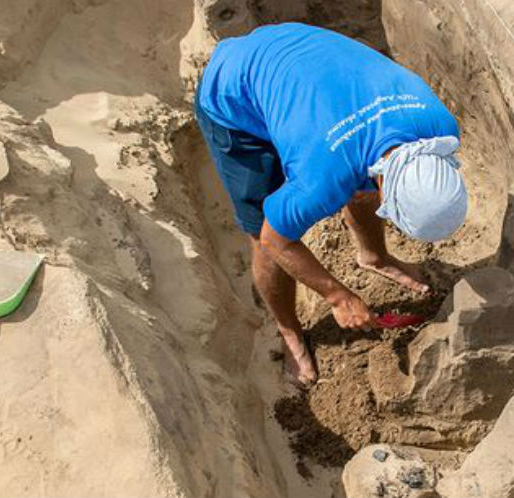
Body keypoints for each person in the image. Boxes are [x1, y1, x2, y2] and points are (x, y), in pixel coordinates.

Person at [195, 22, 468, 386]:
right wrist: (337, 296)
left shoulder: (439, 126)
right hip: (234, 91)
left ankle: (375, 257)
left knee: (357, 181)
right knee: (261, 233)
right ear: (385, 181)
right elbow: (275, 239)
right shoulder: (323, 175)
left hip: (306, 63)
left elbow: (365, 168)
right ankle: (289, 331)